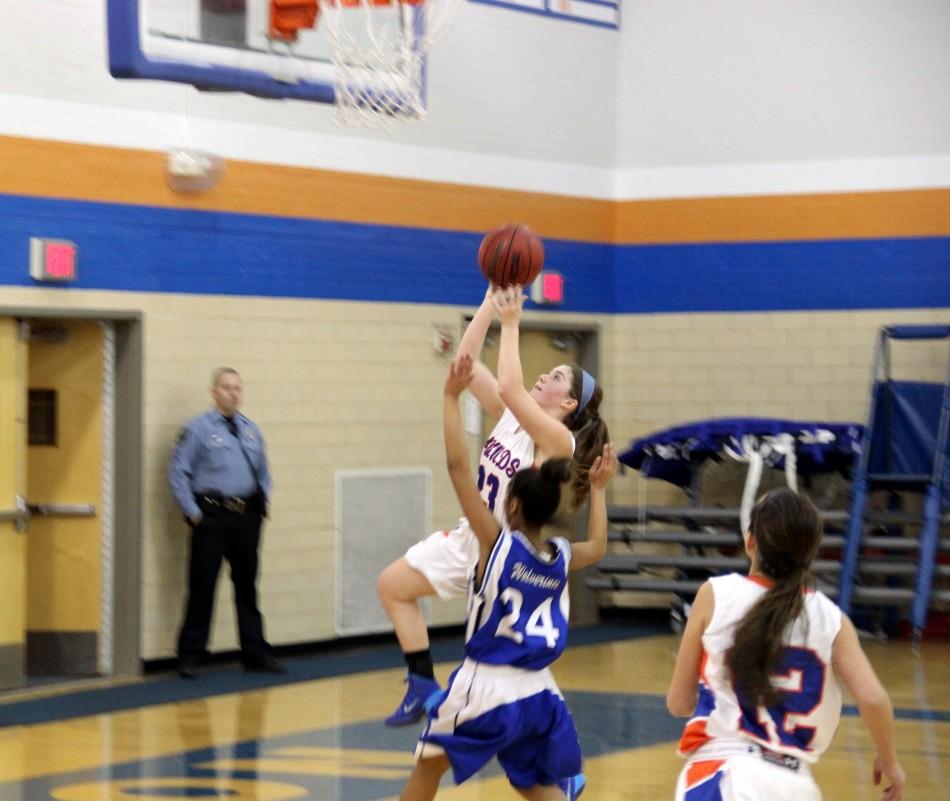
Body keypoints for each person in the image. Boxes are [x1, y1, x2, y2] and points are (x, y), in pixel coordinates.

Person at [377, 284, 610, 725]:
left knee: (501, 671)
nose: (546, 375)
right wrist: (487, 302)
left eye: (557, 376)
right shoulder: (509, 416)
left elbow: (508, 384)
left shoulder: (560, 439)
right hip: (475, 536)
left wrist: (512, 321)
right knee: (392, 586)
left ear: (568, 403)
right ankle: (422, 685)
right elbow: (463, 370)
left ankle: (555, 753)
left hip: (507, 555)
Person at [398, 353, 618, 801]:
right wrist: (598, 492)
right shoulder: (557, 556)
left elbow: (459, 469)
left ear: (510, 505)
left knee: (427, 769)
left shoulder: (493, 546)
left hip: (485, 684)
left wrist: (449, 397)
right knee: (536, 787)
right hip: (538, 690)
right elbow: (596, 547)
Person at [666, 488, 905, 801]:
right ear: (810, 553)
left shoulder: (716, 594)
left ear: (750, 541)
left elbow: (679, 702)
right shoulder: (833, 618)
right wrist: (889, 761)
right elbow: (873, 699)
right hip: (797, 785)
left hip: (723, 774)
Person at [169, 367, 284, 678]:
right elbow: (179, 472)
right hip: (212, 516)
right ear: (214, 392)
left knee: (247, 586)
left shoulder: (250, 430)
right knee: (202, 586)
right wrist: (193, 511)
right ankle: (190, 656)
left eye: (237, 388)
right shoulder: (199, 429)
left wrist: (263, 502)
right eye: (226, 387)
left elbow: (263, 471)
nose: (233, 393)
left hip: (246, 516)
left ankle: (255, 652)